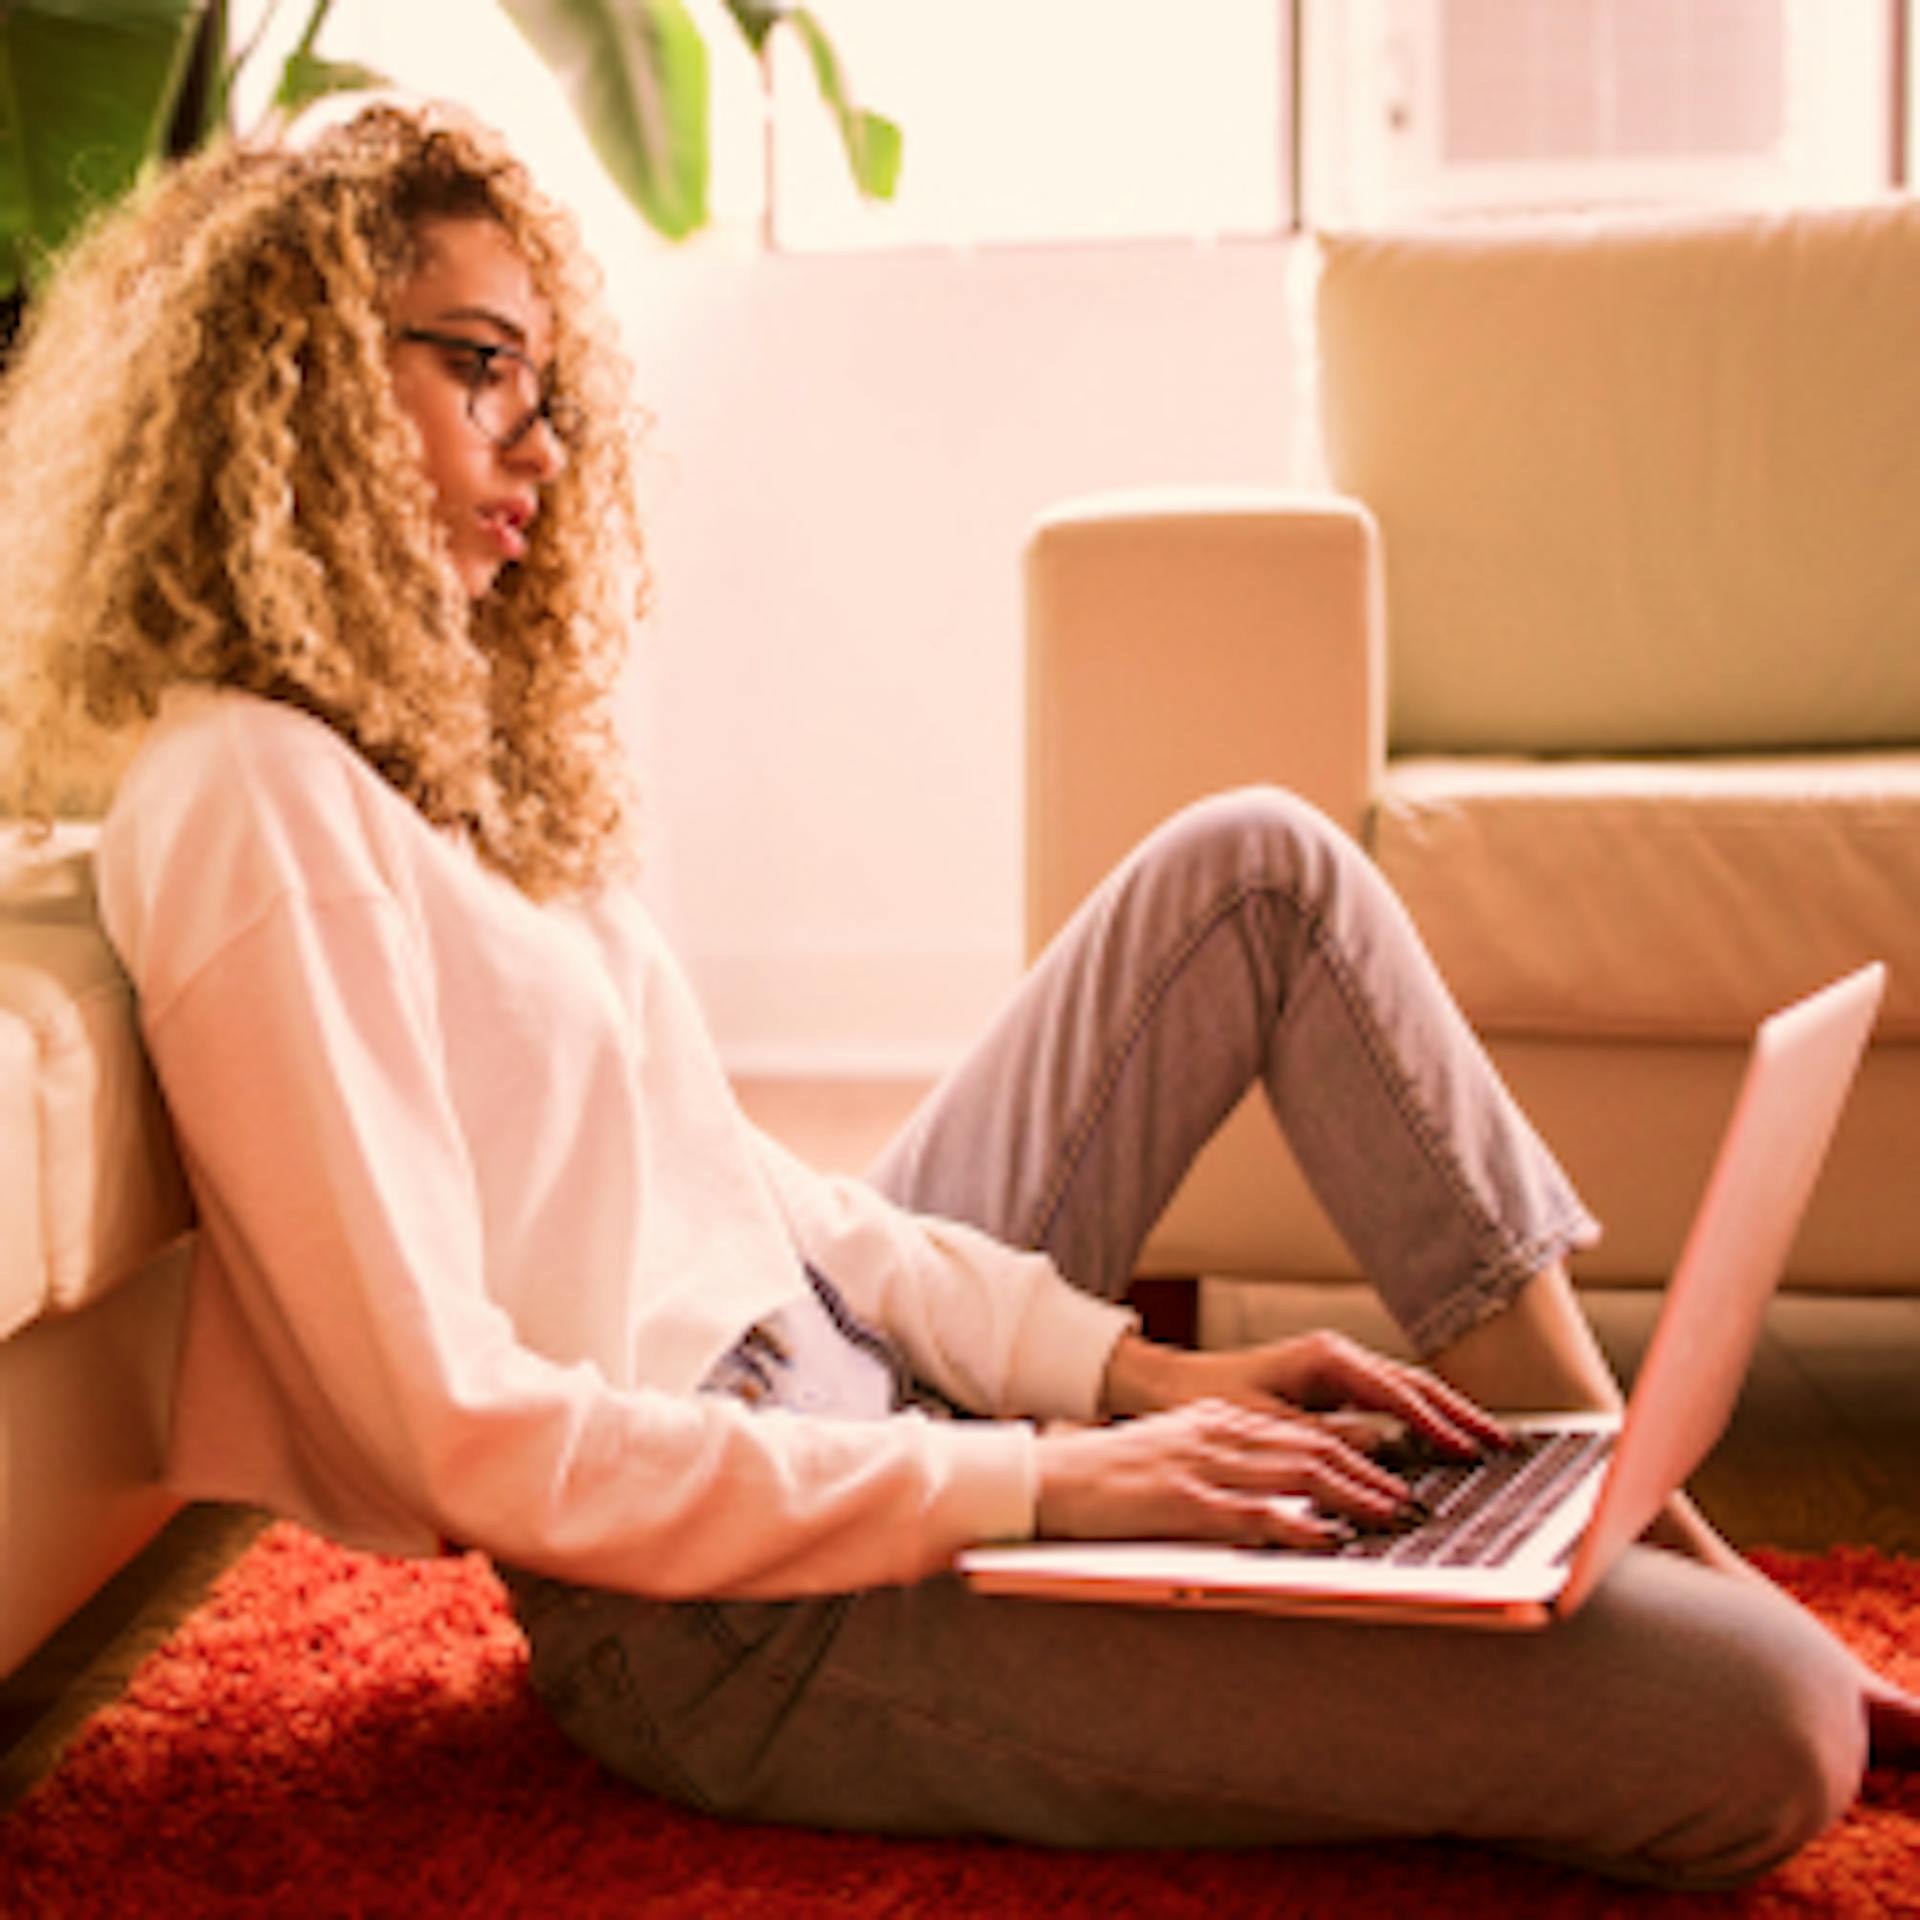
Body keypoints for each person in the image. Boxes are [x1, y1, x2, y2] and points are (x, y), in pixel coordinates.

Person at [0, 100, 1908, 1888]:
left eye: (547, 383)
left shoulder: (436, 752)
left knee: (1260, 865)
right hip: (742, 1624)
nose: (543, 444)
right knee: (1767, 1725)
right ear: (300, 377)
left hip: (859, 1402)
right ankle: (1629, 1575)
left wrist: (1123, 1379)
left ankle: (1614, 1513)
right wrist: (1048, 1486)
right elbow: (459, 1428)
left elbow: (748, 1191)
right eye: (476, 363)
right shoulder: (250, 798)